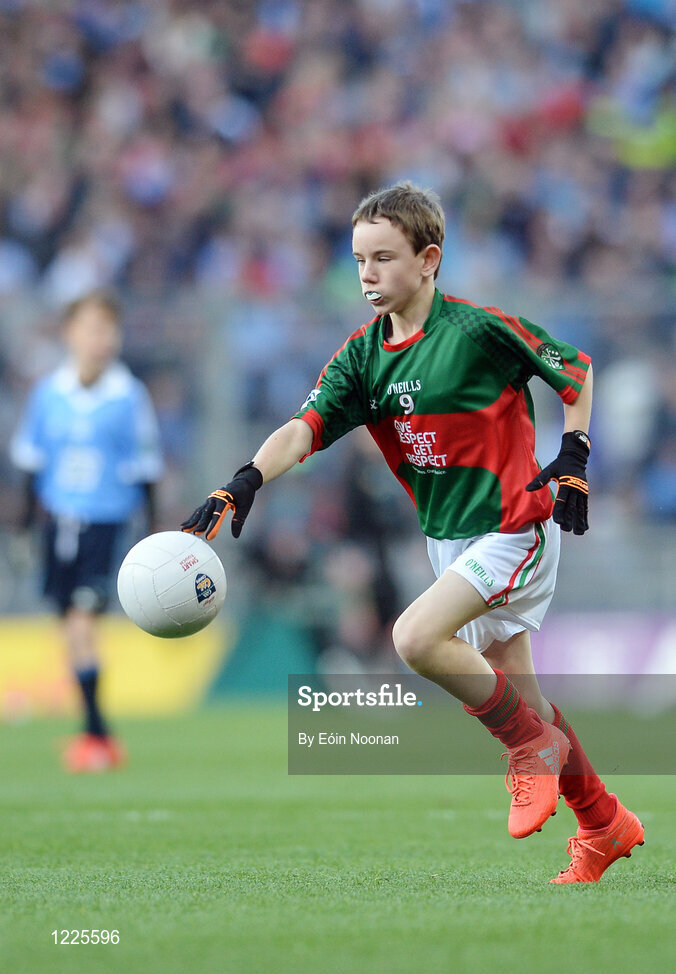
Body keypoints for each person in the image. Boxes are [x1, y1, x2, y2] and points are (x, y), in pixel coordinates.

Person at [182, 183, 644, 884]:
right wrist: (245, 478)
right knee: (528, 694)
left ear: (428, 260)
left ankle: (528, 749)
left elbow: (575, 370)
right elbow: (303, 430)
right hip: (449, 540)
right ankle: (603, 820)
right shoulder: (361, 358)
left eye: (384, 259)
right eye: (360, 259)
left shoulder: (478, 330)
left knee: (415, 639)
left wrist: (575, 457)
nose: (367, 274)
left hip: (513, 527)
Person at [11, 291, 164, 772]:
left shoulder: (128, 396)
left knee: (82, 621)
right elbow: (32, 466)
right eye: (92, 328)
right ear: (70, 333)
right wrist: (22, 528)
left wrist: (153, 530)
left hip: (105, 523)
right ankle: (91, 730)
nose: (102, 339)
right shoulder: (49, 394)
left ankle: (98, 734)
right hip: (57, 523)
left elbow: (146, 469)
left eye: (109, 329)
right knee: (68, 625)